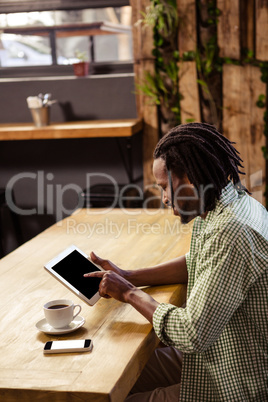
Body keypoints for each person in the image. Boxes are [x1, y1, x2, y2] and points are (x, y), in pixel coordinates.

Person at [84, 122, 268, 401]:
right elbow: (198, 260)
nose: (165, 198)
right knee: (101, 378)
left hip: (238, 377)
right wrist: (130, 275)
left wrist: (129, 293)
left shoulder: (232, 231)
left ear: (192, 177)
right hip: (222, 350)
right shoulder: (229, 203)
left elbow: (191, 333)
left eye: (164, 187)